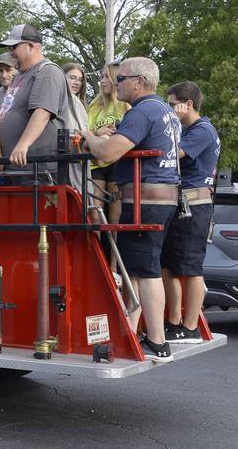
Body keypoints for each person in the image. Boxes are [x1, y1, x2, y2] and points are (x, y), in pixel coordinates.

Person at [81, 57, 181, 363]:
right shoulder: (164, 111)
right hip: (163, 197)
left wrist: (88, 137)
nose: (116, 83)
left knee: (145, 270)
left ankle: (157, 342)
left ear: (139, 81)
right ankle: (137, 332)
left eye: (121, 78)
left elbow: (108, 154)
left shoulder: (143, 110)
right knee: (141, 268)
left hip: (144, 199)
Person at [161, 81, 220, 344]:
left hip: (194, 206)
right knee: (170, 266)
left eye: (173, 104)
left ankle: (191, 326)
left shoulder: (202, 131)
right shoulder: (188, 129)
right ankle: (174, 322)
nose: (170, 109)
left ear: (189, 105)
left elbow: (175, 153)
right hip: (180, 203)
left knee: (191, 268)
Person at [0, 24, 67, 182]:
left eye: (14, 47)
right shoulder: (21, 74)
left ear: (31, 46)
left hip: (40, 170)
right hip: (18, 168)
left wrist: (23, 145)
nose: (10, 52)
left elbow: (42, 112)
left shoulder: (47, 71)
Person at [88, 61, 131, 277]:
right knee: (95, 215)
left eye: (106, 76)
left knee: (115, 218)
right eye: (102, 76)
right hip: (96, 163)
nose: (103, 80)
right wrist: (98, 132)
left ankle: (114, 266)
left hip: (117, 163)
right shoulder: (94, 105)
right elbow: (83, 132)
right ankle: (96, 263)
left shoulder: (125, 105)